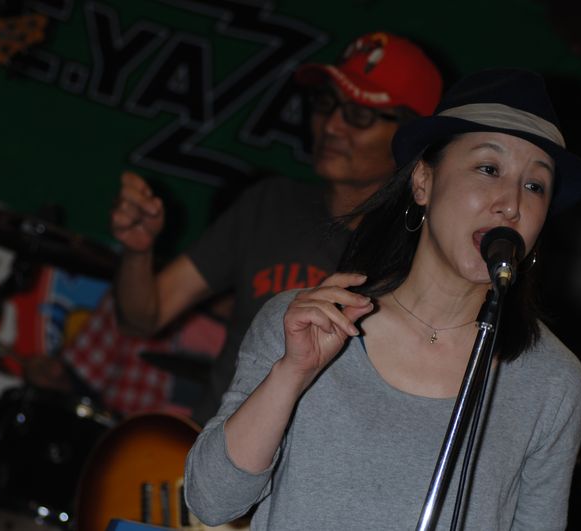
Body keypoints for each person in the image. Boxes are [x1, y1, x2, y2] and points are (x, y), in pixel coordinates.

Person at [184, 68, 581, 529]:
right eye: (488, 169)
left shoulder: (551, 382)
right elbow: (211, 501)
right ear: (423, 181)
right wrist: (291, 374)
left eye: (535, 185)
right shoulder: (307, 323)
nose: (511, 204)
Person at [110, 32, 443, 424]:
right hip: (212, 448)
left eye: (359, 115)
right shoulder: (269, 204)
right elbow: (143, 317)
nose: (332, 126)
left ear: (410, 139)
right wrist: (138, 252)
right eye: (325, 103)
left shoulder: (420, 255)